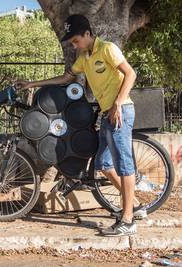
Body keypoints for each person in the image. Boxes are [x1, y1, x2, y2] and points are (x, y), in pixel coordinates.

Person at [16, 15, 139, 236]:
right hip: (107, 113)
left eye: (75, 40)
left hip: (121, 111)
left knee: (124, 165)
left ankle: (128, 220)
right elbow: (65, 79)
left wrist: (118, 103)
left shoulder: (108, 49)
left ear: (87, 34)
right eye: (71, 42)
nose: (74, 45)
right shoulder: (85, 57)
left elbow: (130, 73)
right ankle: (135, 205)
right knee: (103, 164)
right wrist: (32, 84)